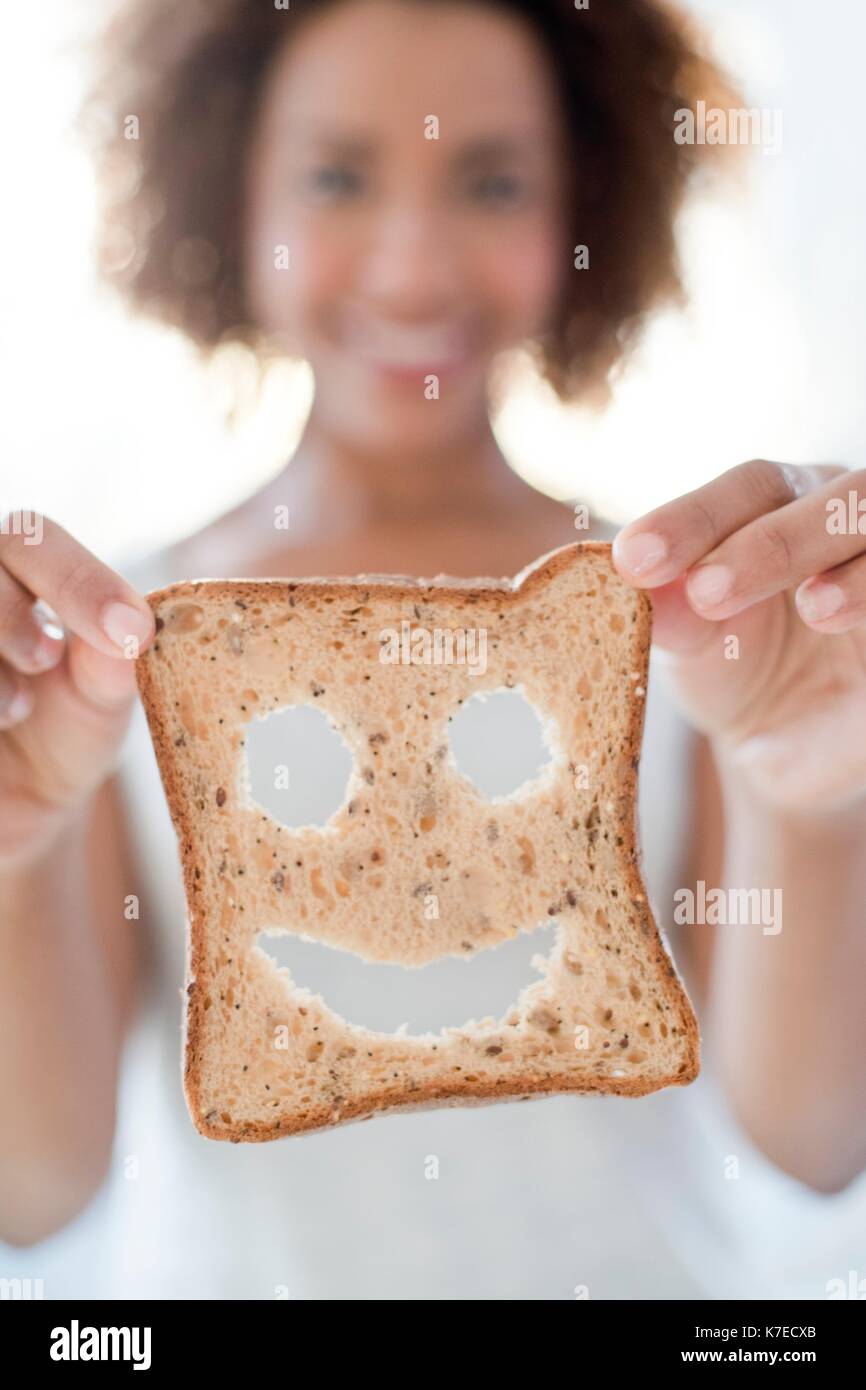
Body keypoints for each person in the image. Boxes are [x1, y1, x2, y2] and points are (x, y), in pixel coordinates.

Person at [2, 0, 865, 1299]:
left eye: (493, 180)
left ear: (585, 201)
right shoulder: (106, 644)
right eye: (337, 175)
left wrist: (814, 799)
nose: (412, 265)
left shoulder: (703, 616)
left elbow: (808, 1144)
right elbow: (36, 1187)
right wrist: (15, 845)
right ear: (229, 188)